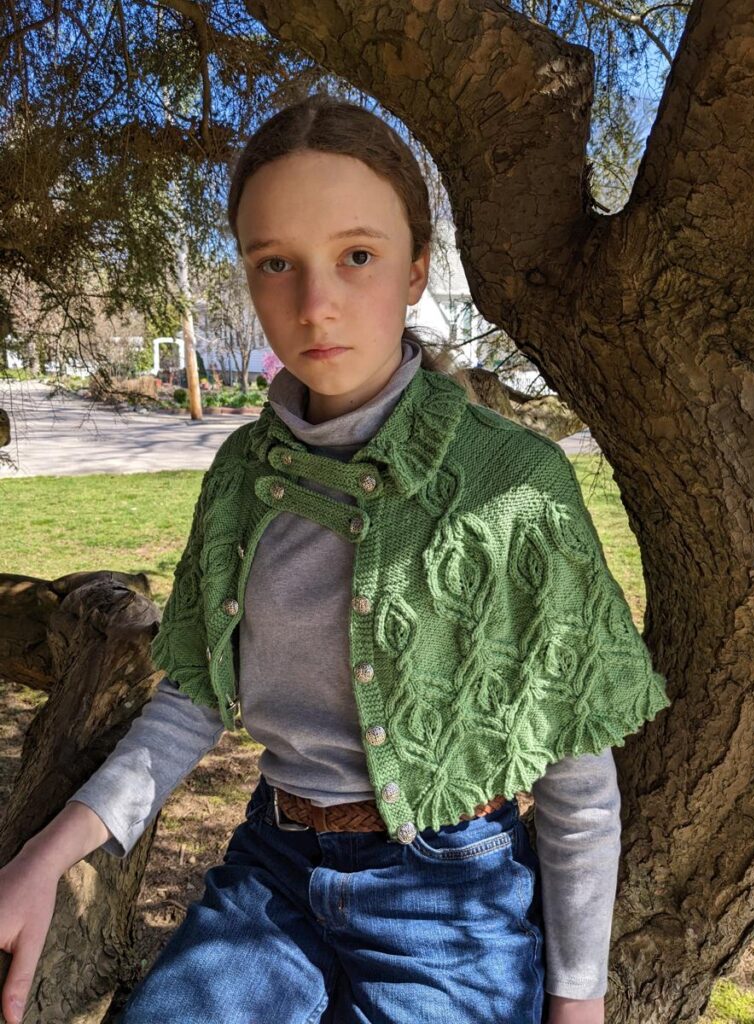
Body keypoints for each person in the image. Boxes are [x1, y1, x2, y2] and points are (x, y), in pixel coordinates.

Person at [0, 94, 671, 1024]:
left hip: (453, 901)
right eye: (275, 264)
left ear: (416, 270)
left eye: (357, 255)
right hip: (270, 876)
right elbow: (193, 698)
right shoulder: (240, 478)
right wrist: (45, 858)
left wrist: (578, 1003)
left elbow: (575, 779)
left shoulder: (511, 482)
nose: (315, 305)